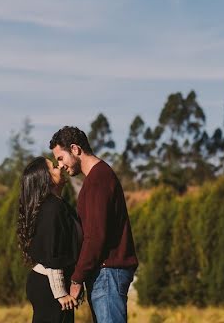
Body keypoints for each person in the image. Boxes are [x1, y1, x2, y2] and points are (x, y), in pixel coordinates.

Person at [50, 126, 138, 323]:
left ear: (75, 149)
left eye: (60, 158)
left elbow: (96, 236)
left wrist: (77, 278)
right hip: (105, 272)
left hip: (108, 272)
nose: (61, 165)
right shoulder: (96, 179)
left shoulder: (99, 179)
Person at [18, 156, 84, 323]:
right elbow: (52, 255)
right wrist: (60, 292)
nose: (60, 166)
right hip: (50, 286)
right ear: (45, 179)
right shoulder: (52, 208)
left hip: (50, 284)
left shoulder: (57, 204)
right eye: (54, 167)